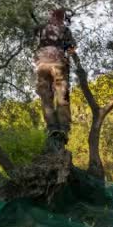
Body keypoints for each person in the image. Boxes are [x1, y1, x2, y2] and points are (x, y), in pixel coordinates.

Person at [33, 9, 76, 154]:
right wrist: (69, 58)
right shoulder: (65, 29)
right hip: (58, 62)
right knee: (62, 96)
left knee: (46, 98)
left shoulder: (41, 28)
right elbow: (71, 48)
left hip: (42, 64)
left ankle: (52, 127)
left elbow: (33, 36)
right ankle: (63, 128)